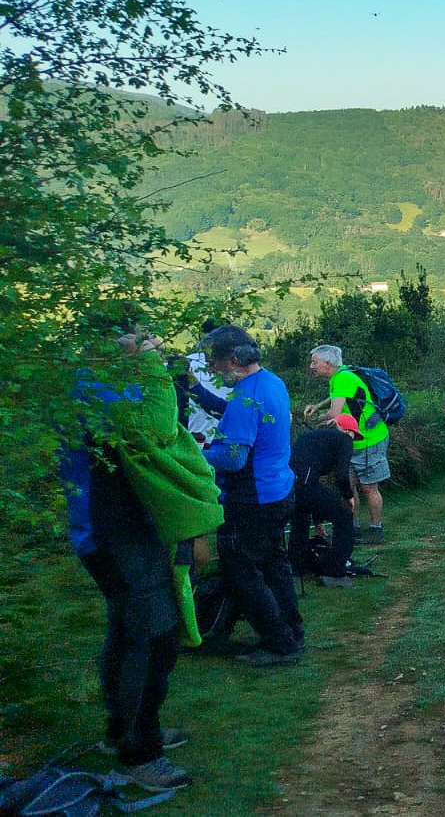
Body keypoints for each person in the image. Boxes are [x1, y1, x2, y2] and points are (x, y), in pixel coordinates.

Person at [61, 328, 224, 792]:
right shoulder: (95, 390)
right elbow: (158, 425)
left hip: (119, 531)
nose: (154, 346)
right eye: (143, 337)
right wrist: (151, 365)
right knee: (153, 638)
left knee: (129, 632)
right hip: (114, 535)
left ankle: (123, 731)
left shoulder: (94, 385)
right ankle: (139, 755)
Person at [200, 325, 301, 667]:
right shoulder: (271, 382)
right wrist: (196, 391)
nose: (211, 367)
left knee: (241, 572)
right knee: (274, 565)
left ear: (233, 360)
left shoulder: (245, 396)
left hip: (250, 497)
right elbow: (242, 418)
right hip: (278, 489)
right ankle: (292, 632)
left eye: (214, 361)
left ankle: (279, 644)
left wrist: (195, 453)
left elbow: (233, 458)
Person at [305, 345, 390, 544]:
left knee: (369, 487)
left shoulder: (343, 377)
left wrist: (317, 418)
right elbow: (338, 396)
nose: (311, 366)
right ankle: (353, 528)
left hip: (369, 440)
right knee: (349, 486)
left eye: (314, 362)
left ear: (327, 363)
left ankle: (376, 530)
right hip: (350, 442)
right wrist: (318, 406)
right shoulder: (339, 376)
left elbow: (334, 414)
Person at [288, 413, 361, 587]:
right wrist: (349, 497)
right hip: (306, 483)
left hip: (289, 484)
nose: (353, 439)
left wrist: (318, 520)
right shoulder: (344, 440)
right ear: (347, 430)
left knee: (300, 519)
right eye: (354, 434)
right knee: (344, 517)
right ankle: (335, 571)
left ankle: (298, 567)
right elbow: (341, 475)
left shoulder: (315, 436)